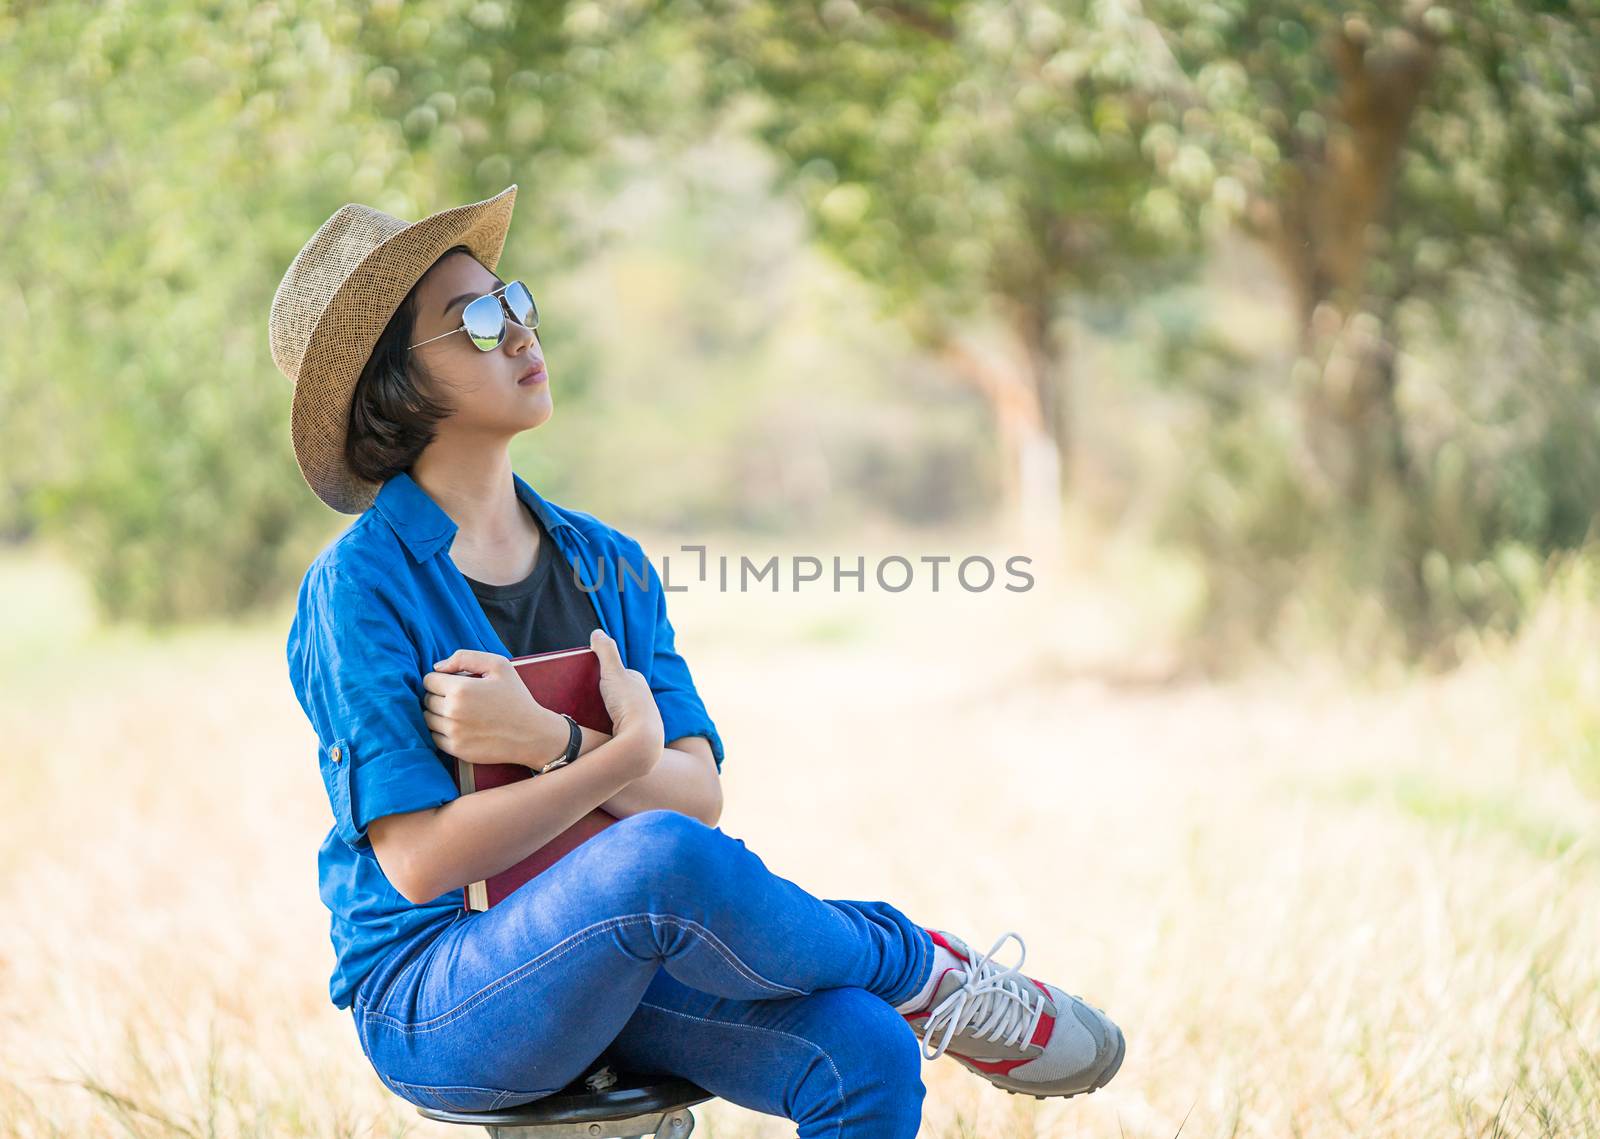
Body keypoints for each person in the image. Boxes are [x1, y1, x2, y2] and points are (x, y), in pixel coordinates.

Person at [268, 185, 1126, 1137]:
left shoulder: (607, 563)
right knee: (658, 855)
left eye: (514, 302)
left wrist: (558, 741)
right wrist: (615, 754)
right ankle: (922, 967)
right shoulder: (361, 588)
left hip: (626, 957)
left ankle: (906, 993)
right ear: (397, 382)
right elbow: (424, 862)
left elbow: (698, 793)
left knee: (867, 1052)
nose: (516, 333)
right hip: (442, 996)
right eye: (472, 321)